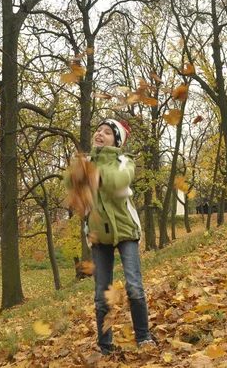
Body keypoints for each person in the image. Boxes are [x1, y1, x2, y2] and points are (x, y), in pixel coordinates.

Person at [65, 119, 154, 354]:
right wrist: (78, 172)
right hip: (98, 235)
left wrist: (94, 174)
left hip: (126, 231)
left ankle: (143, 338)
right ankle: (105, 347)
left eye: (107, 132)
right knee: (101, 294)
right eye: (98, 130)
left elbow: (118, 181)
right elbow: (70, 185)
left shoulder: (124, 161)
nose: (100, 134)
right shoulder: (86, 162)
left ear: (117, 140)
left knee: (134, 286)